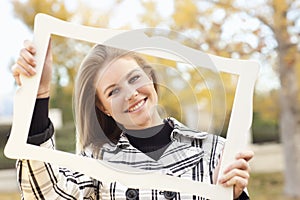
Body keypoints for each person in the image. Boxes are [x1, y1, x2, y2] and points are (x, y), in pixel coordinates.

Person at [12, 39, 253, 200]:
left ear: (151, 77)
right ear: (103, 107)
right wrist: (39, 93)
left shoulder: (213, 150)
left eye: (135, 78)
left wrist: (233, 195)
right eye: (113, 91)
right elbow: (46, 194)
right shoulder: (97, 159)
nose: (131, 94)